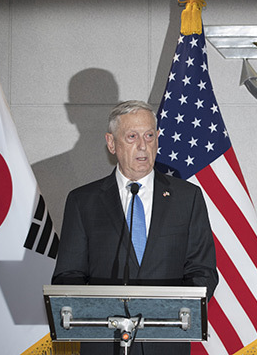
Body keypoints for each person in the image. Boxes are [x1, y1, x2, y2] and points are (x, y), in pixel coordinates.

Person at [52, 100, 218, 355]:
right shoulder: (82, 201)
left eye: (149, 136)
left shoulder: (187, 197)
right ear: (111, 143)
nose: (143, 145)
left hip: (166, 343)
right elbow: (68, 275)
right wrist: (102, 314)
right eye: (132, 137)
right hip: (105, 344)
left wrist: (168, 313)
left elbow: (202, 271)